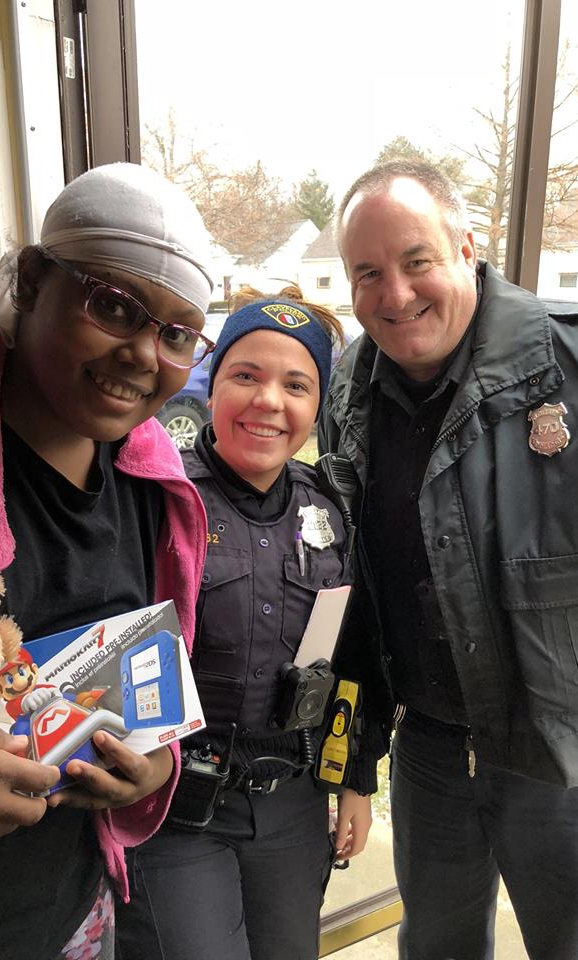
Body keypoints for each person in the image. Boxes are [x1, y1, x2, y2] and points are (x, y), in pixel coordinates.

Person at [0, 162, 216, 960]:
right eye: (114, 305)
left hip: (72, 916)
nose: (144, 354)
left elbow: (134, 673)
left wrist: (151, 764)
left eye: (177, 333)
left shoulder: (150, 483)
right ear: (34, 280)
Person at [319, 158, 578, 960]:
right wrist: (353, 750)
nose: (394, 295)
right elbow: (359, 592)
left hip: (567, 762)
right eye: (368, 273)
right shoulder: (348, 388)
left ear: (467, 249)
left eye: (416, 261)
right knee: (436, 946)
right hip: (430, 754)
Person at [116, 288, 372, 960]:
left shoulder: (330, 510)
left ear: (317, 407)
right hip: (178, 808)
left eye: (296, 385)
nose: (269, 402)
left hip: (291, 801)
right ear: (213, 385)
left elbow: (350, 655)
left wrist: (353, 779)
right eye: (246, 376)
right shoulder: (156, 497)